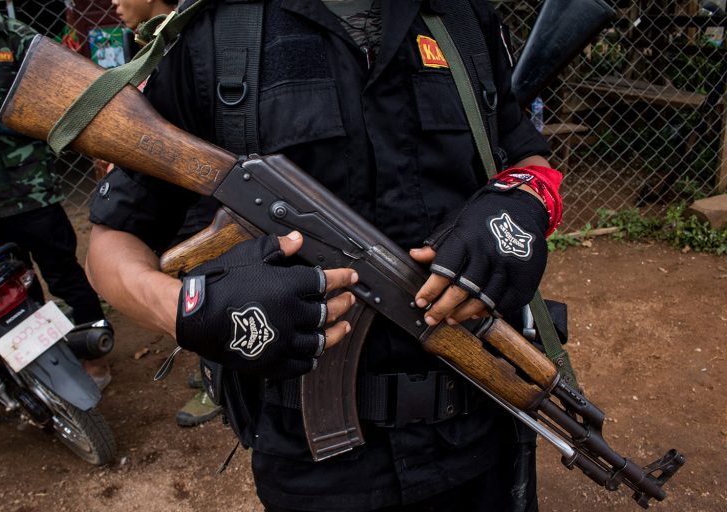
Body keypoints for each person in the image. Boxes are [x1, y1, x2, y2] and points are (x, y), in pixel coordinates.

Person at [86, 1, 562, 510]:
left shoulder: (463, 16)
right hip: (314, 465)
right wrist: (187, 308)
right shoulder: (218, 34)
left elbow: (527, 158)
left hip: (483, 436)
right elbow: (110, 245)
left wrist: (520, 207)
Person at [0, 0, 111, 388]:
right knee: (13, 281)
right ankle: (50, 361)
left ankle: (96, 356)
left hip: (27, 187)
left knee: (62, 272)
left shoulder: (23, 42)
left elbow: (52, 116)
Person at [108, 0, 223, 428]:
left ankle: (219, 382)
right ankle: (211, 369)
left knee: (210, 288)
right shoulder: (155, 40)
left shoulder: (187, 39)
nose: (114, 3)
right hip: (175, 192)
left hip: (202, 198)